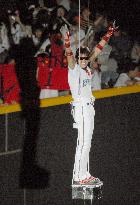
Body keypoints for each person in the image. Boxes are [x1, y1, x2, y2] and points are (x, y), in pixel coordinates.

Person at [61, 23, 118, 185]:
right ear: (78, 58)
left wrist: (109, 33)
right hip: (81, 108)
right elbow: (70, 56)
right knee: (83, 143)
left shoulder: (85, 67)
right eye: (82, 58)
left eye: (86, 58)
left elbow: (98, 49)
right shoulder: (74, 69)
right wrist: (66, 38)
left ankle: (84, 173)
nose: (85, 60)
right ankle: (78, 176)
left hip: (89, 107)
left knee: (87, 143)